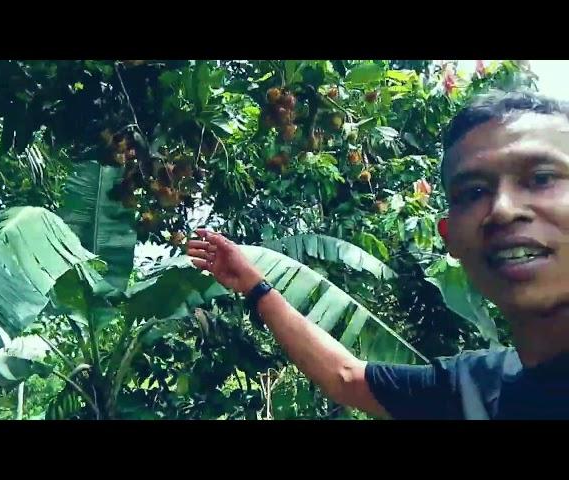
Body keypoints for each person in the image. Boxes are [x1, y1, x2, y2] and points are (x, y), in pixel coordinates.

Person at [187, 90, 569, 420]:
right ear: (449, 237)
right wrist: (254, 285)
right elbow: (346, 377)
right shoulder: (475, 390)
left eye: (541, 179)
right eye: (473, 192)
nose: (502, 209)